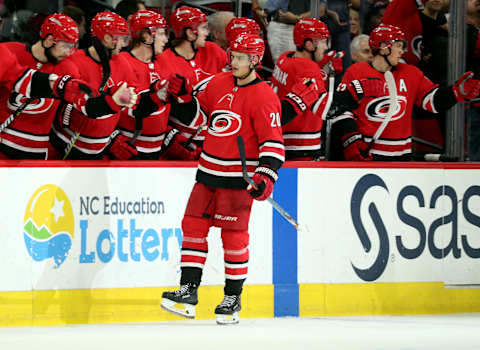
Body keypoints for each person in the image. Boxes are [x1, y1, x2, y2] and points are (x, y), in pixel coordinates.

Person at [161, 34, 285, 325]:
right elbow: (195, 119)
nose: (234, 61)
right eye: (233, 55)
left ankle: (232, 297)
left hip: (237, 180)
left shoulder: (264, 95)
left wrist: (265, 175)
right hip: (207, 173)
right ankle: (188, 291)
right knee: (192, 226)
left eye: (241, 58)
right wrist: (182, 99)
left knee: (233, 238)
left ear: (255, 61)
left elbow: (273, 142)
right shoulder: (217, 83)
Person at [330, 24, 480, 161]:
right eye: (398, 46)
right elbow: (340, 111)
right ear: (383, 47)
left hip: (401, 158)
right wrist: (352, 141)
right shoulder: (356, 72)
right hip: (367, 155)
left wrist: (455, 93)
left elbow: (432, 102)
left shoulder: (410, 73)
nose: (402, 51)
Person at [50, 11, 138, 160]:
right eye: (122, 38)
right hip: (63, 147)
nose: (124, 44)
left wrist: (113, 137)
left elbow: (132, 103)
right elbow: (63, 108)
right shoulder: (72, 61)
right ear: (108, 38)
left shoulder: (122, 63)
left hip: (99, 151)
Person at [0, 13, 83, 159]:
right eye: (65, 46)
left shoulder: (69, 69)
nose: (69, 52)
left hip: (35, 153)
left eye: (73, 47)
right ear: (49, 40)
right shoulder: (10, 51)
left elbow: (77, 106)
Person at [161, 6, 227, 145]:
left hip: (218, 134)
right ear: (191, 33)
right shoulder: (164, 61)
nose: (206, 33)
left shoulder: (213, 50)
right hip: (185, 140)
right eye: (203, 28)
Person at [270, 18, 328, 160]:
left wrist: (325, 63)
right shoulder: (309, 69)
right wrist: (354, 92)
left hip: (280, 137)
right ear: (309, 44)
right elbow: (327, 110)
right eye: (323, 41)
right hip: (301, 145)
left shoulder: (285, 57)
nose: (326, 47)